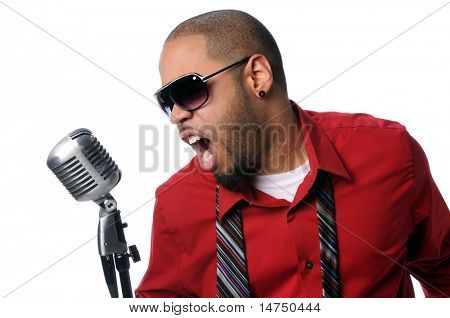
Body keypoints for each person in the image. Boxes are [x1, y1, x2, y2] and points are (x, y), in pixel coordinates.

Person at [135, 9, 449, 297]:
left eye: (188, 92)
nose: (176, 115)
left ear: (257, 76)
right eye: (167, 102)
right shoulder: (176, 205)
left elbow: (443, 269)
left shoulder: (389, 153)